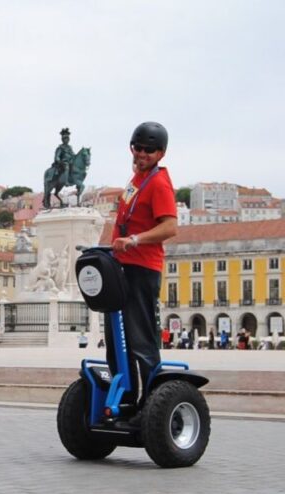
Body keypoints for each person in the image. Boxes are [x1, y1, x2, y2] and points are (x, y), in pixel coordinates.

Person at [108, 121, 178, 417]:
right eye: (138, 148)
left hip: (143, 267)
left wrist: (134, 240)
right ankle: (126, 397)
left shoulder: (159, 183)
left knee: (140, 339)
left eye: (150, 150)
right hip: (122, 265)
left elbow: (170, 227)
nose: (142, 153)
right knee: (116, 340)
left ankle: (151, 405)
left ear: (160, 153)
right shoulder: (136, 179)